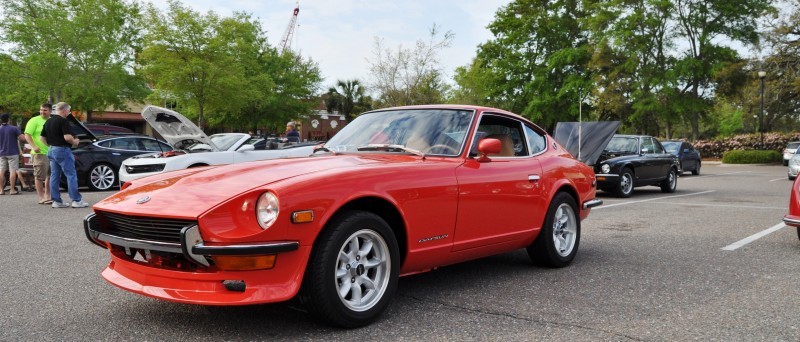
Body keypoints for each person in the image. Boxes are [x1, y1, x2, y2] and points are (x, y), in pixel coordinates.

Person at [41, 102, 88, 208]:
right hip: (62, 150)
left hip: (51, 150)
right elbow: (67, 137)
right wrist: (75, 142)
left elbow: (42, 138)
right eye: (69, 111)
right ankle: (76, 200)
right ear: (65, 110)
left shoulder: (48, 121)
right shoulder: (63, 121)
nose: (69, 113)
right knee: (71, 175)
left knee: (54, 176)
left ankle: (56, 201)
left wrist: (51, 145)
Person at [24, 103, 52, 204]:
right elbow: (27, 135)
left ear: (50, 111)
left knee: (50, 175)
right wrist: (34, 146)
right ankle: (41, 197)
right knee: (39, 176)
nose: (42, 112)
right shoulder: (34, 120)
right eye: (41, 110)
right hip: (39, 153)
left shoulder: (51, 120)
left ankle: (48, 196)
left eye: (45, 110)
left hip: (52, 152)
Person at [0, 113, 25, 195]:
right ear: (9, 119)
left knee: (1, 171)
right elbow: (22, 138)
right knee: (12, 171)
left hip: (1, 153)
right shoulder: (14, 128)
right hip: (13, 153)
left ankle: (1, 190)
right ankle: (12, 190)